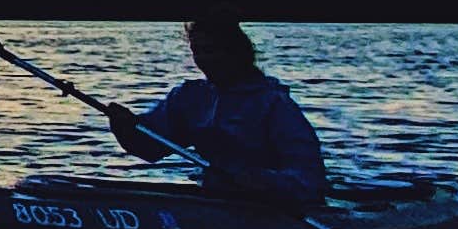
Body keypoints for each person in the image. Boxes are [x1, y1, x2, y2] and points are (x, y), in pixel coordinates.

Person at [107, 18, 328, 209]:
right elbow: (151, 148)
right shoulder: (189, 97)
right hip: (215, 201)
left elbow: (310, 179)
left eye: (211, 51)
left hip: (267, 207)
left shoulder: (274, 104)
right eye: (197, 51)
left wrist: (261, 181)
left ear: (236, 53)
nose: (203, 59)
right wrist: (126, 127)